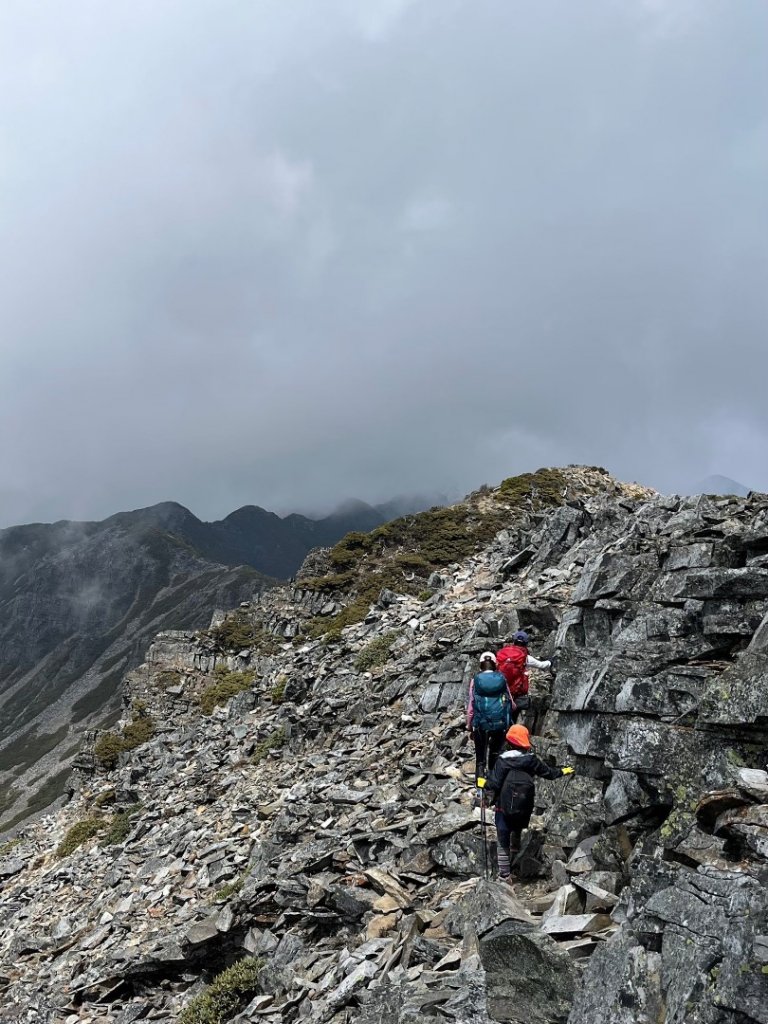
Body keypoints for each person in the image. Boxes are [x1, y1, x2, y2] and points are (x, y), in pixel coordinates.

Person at [483, 724, 574, 882]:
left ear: (509, 741)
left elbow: (494, 784)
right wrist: (563, 771)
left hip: (503, 807)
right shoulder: (531, 760)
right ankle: (516, 850)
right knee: (517, 826)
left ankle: (505, 875)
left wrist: (483, 782)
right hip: (524, 806)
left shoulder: (503, 761)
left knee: (502, 837)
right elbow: (549, 773)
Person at [466, 652, 516, 783]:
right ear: (495, 664)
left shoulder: (475, 680)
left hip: (480, 724)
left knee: (480, 760)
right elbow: (511, 702)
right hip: (499, 723)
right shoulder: (501, 678)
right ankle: (493, 787)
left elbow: (471, 705)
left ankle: (480, 788)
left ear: (481, 665)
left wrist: (469, 724)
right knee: (494, 755)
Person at [495, 631, 553, 722]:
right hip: (516, 692)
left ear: (514, 641)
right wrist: (550, 662)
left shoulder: (502, 653)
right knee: (513, 715)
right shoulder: (525, 657)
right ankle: (511, 731)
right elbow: (542, 665)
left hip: (501, 689)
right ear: (526, 643)